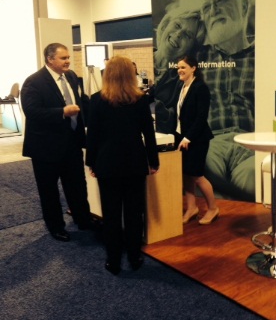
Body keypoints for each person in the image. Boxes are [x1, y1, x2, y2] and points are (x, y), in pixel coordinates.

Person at [85, 56, 159, 275]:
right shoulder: (140, 100)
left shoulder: (97, 100)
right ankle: (135, 256)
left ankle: (113, 260)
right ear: (130, 75)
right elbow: (149, 134)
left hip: (107, 164)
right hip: (135, 163)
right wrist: (153, 161)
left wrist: (91, 162)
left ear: (107, 74)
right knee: (134, 213)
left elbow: (93, 137)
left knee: (111, 214)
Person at [21, 42, 97, 242]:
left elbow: (83, 102)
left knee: (77, 185)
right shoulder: (34, 82)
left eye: (68, 57)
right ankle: (55, 226)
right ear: (50, 59)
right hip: (46, 147)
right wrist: (62, 112)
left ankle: (83, 219)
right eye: (63, 58)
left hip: (71, 143)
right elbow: (32, 112)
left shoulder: (71, 77)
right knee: (49, 190)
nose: (68, 61)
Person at [196, 0, 255, 201]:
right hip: (212, 144)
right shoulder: (197, 58)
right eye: (206, 7)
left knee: (253, 174)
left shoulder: (264, 56)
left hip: (251, 143)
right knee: (202, 168)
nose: (213, 10)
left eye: (221, 0)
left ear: (243, 6)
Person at [171, 55, 219, 225]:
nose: (179, 70)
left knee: (197, 176)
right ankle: (192, 208)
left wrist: (188, 137)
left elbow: (201, 117)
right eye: (178, 67)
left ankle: (213, 208)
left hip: (197, 139)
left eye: (183, 67)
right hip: (181, 137)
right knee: (186, 174)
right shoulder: (182, 86)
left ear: (193, 68)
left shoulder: (200, 88)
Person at [153, 8, 203, 133]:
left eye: (188, 35)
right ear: (165, 25)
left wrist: (149, 102)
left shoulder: (184, 80)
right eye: (177, 25)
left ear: (192, 46)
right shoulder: (136, 65)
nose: (179, 34)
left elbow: (173, 123)